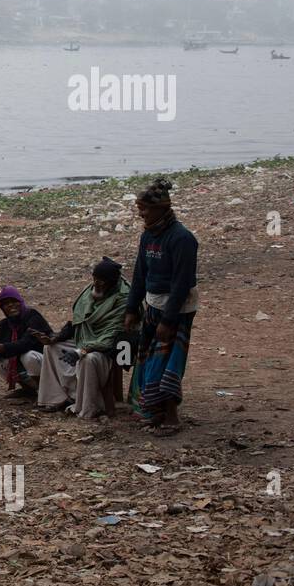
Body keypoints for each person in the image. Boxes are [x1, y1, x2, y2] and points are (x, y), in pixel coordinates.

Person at [125, 178, 199, 433]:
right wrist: (131, 308)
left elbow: (181, 283)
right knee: (147, 360)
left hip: (177, 310)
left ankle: (171, 417)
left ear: (161, 208)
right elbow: (139, 274)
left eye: (144, 209)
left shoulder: (182, 239)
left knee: (167, 363)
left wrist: (168, 321)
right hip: (152, 305)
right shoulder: (148, 236)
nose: (141, 214)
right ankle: (155, 412)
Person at [33, 258, 129, 417]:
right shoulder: (89, 292)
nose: (97, 284)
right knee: (50, 349)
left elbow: (112, 336)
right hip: (84, 339)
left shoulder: (123, 300)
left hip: (107, 349)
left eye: (101, 282)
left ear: (111, 283)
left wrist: (81, 351)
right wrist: (55, 338)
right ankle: (55, 399)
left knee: (88, 359)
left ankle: (86, 407)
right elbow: (78, 322)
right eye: (95, 280)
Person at [0, 286, 50, 395]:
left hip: (45, 361)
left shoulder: (32, 316)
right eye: (6, 304)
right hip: (23, 362)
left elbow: (26, 343)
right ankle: (28, 389)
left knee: (29, 356)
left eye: (14, 301)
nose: (10, 305)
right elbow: (2, 346)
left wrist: (0, 347)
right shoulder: (4, 324)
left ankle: (44, 392)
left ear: (20, 302)